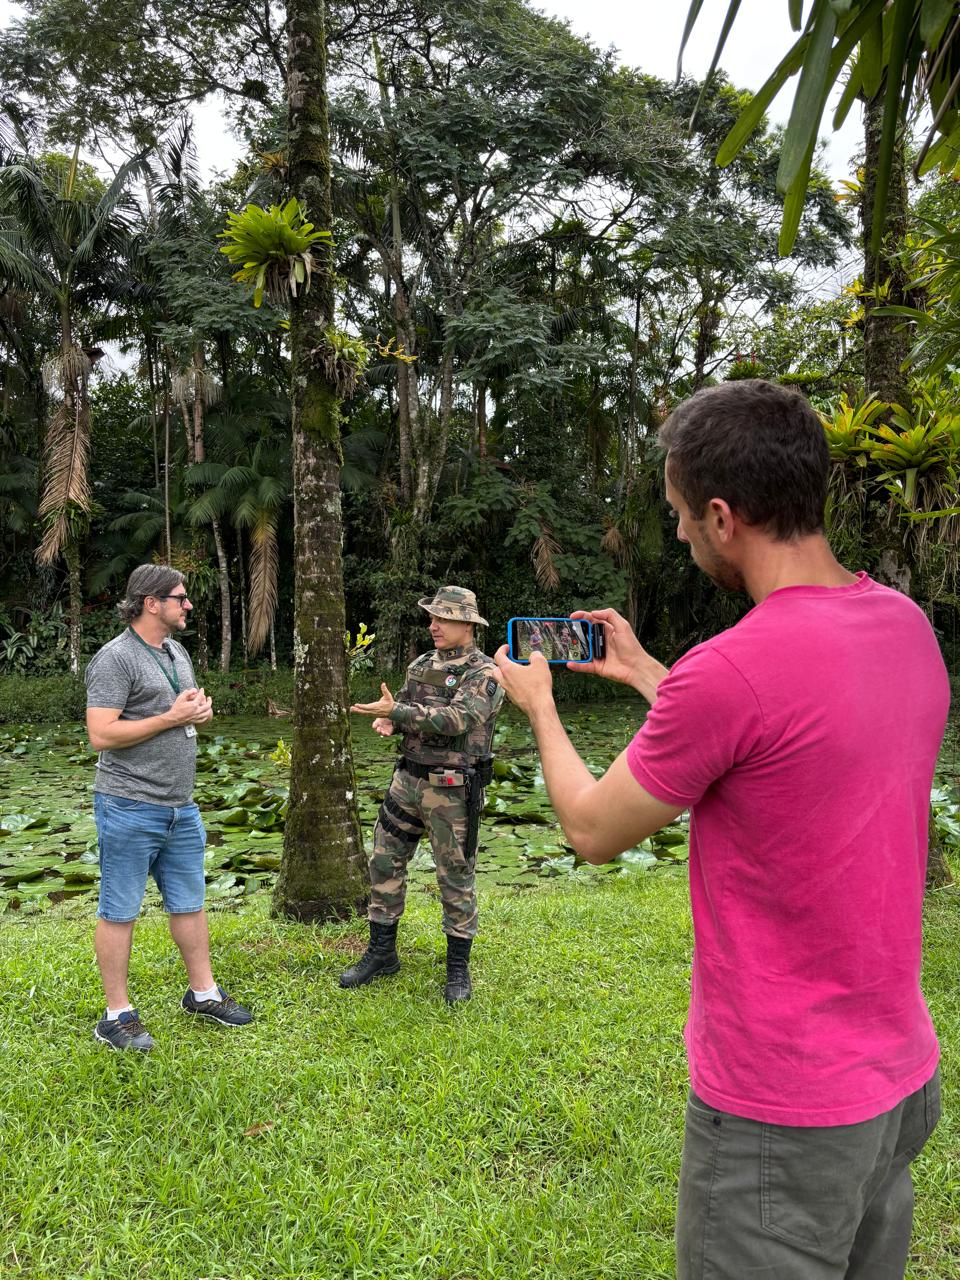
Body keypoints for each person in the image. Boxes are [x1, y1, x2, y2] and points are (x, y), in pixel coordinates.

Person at [492, 380, 950, 1280]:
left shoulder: (733, 668)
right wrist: (643, 673)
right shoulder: (905, 628)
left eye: (677, 516)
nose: (677, 536)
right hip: (897, 1078)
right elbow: (783, 742)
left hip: (781, 1109)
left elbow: (590, 828)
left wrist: (540, 706)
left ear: (721, 515)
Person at [84, 564, 253, 1052]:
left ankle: (203, 993)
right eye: (180, 597)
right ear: (151, 602)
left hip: (180, 806)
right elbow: (100, 735)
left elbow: (184, 708)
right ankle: (116, 1014)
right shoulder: (115, 659)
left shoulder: (176, 652)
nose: (188, 604)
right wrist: (169, 717)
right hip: (129, 803)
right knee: (120, 909)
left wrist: (199, 710)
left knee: (190, 902)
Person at [343, 585, 505, 1003]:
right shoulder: (419, 665)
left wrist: (396, 713)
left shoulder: (484, 673)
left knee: (454, 877)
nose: (433, 625)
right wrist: (392, 723)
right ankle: (381, 953)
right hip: (407, 781)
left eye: (444, 617)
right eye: (432, 617)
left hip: (452, 789)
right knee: (383, 861)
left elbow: (458, 718)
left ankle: (457, 969)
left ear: (467, 624)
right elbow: (411, 713)